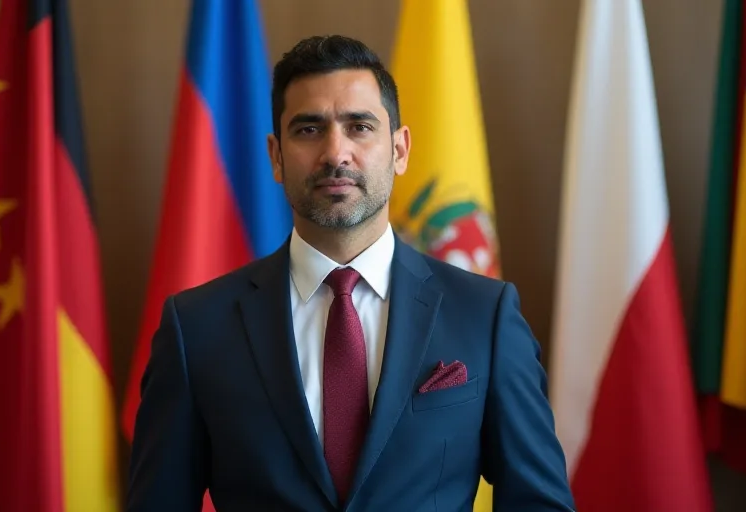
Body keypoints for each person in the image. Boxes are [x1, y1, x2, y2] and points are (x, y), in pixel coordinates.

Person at [126, 35, 575, 511]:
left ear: (399, 150)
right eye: (309, 129)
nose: (335, 153)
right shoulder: (196, 327)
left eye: (359, 127)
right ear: (276, 156)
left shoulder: (485, 316)